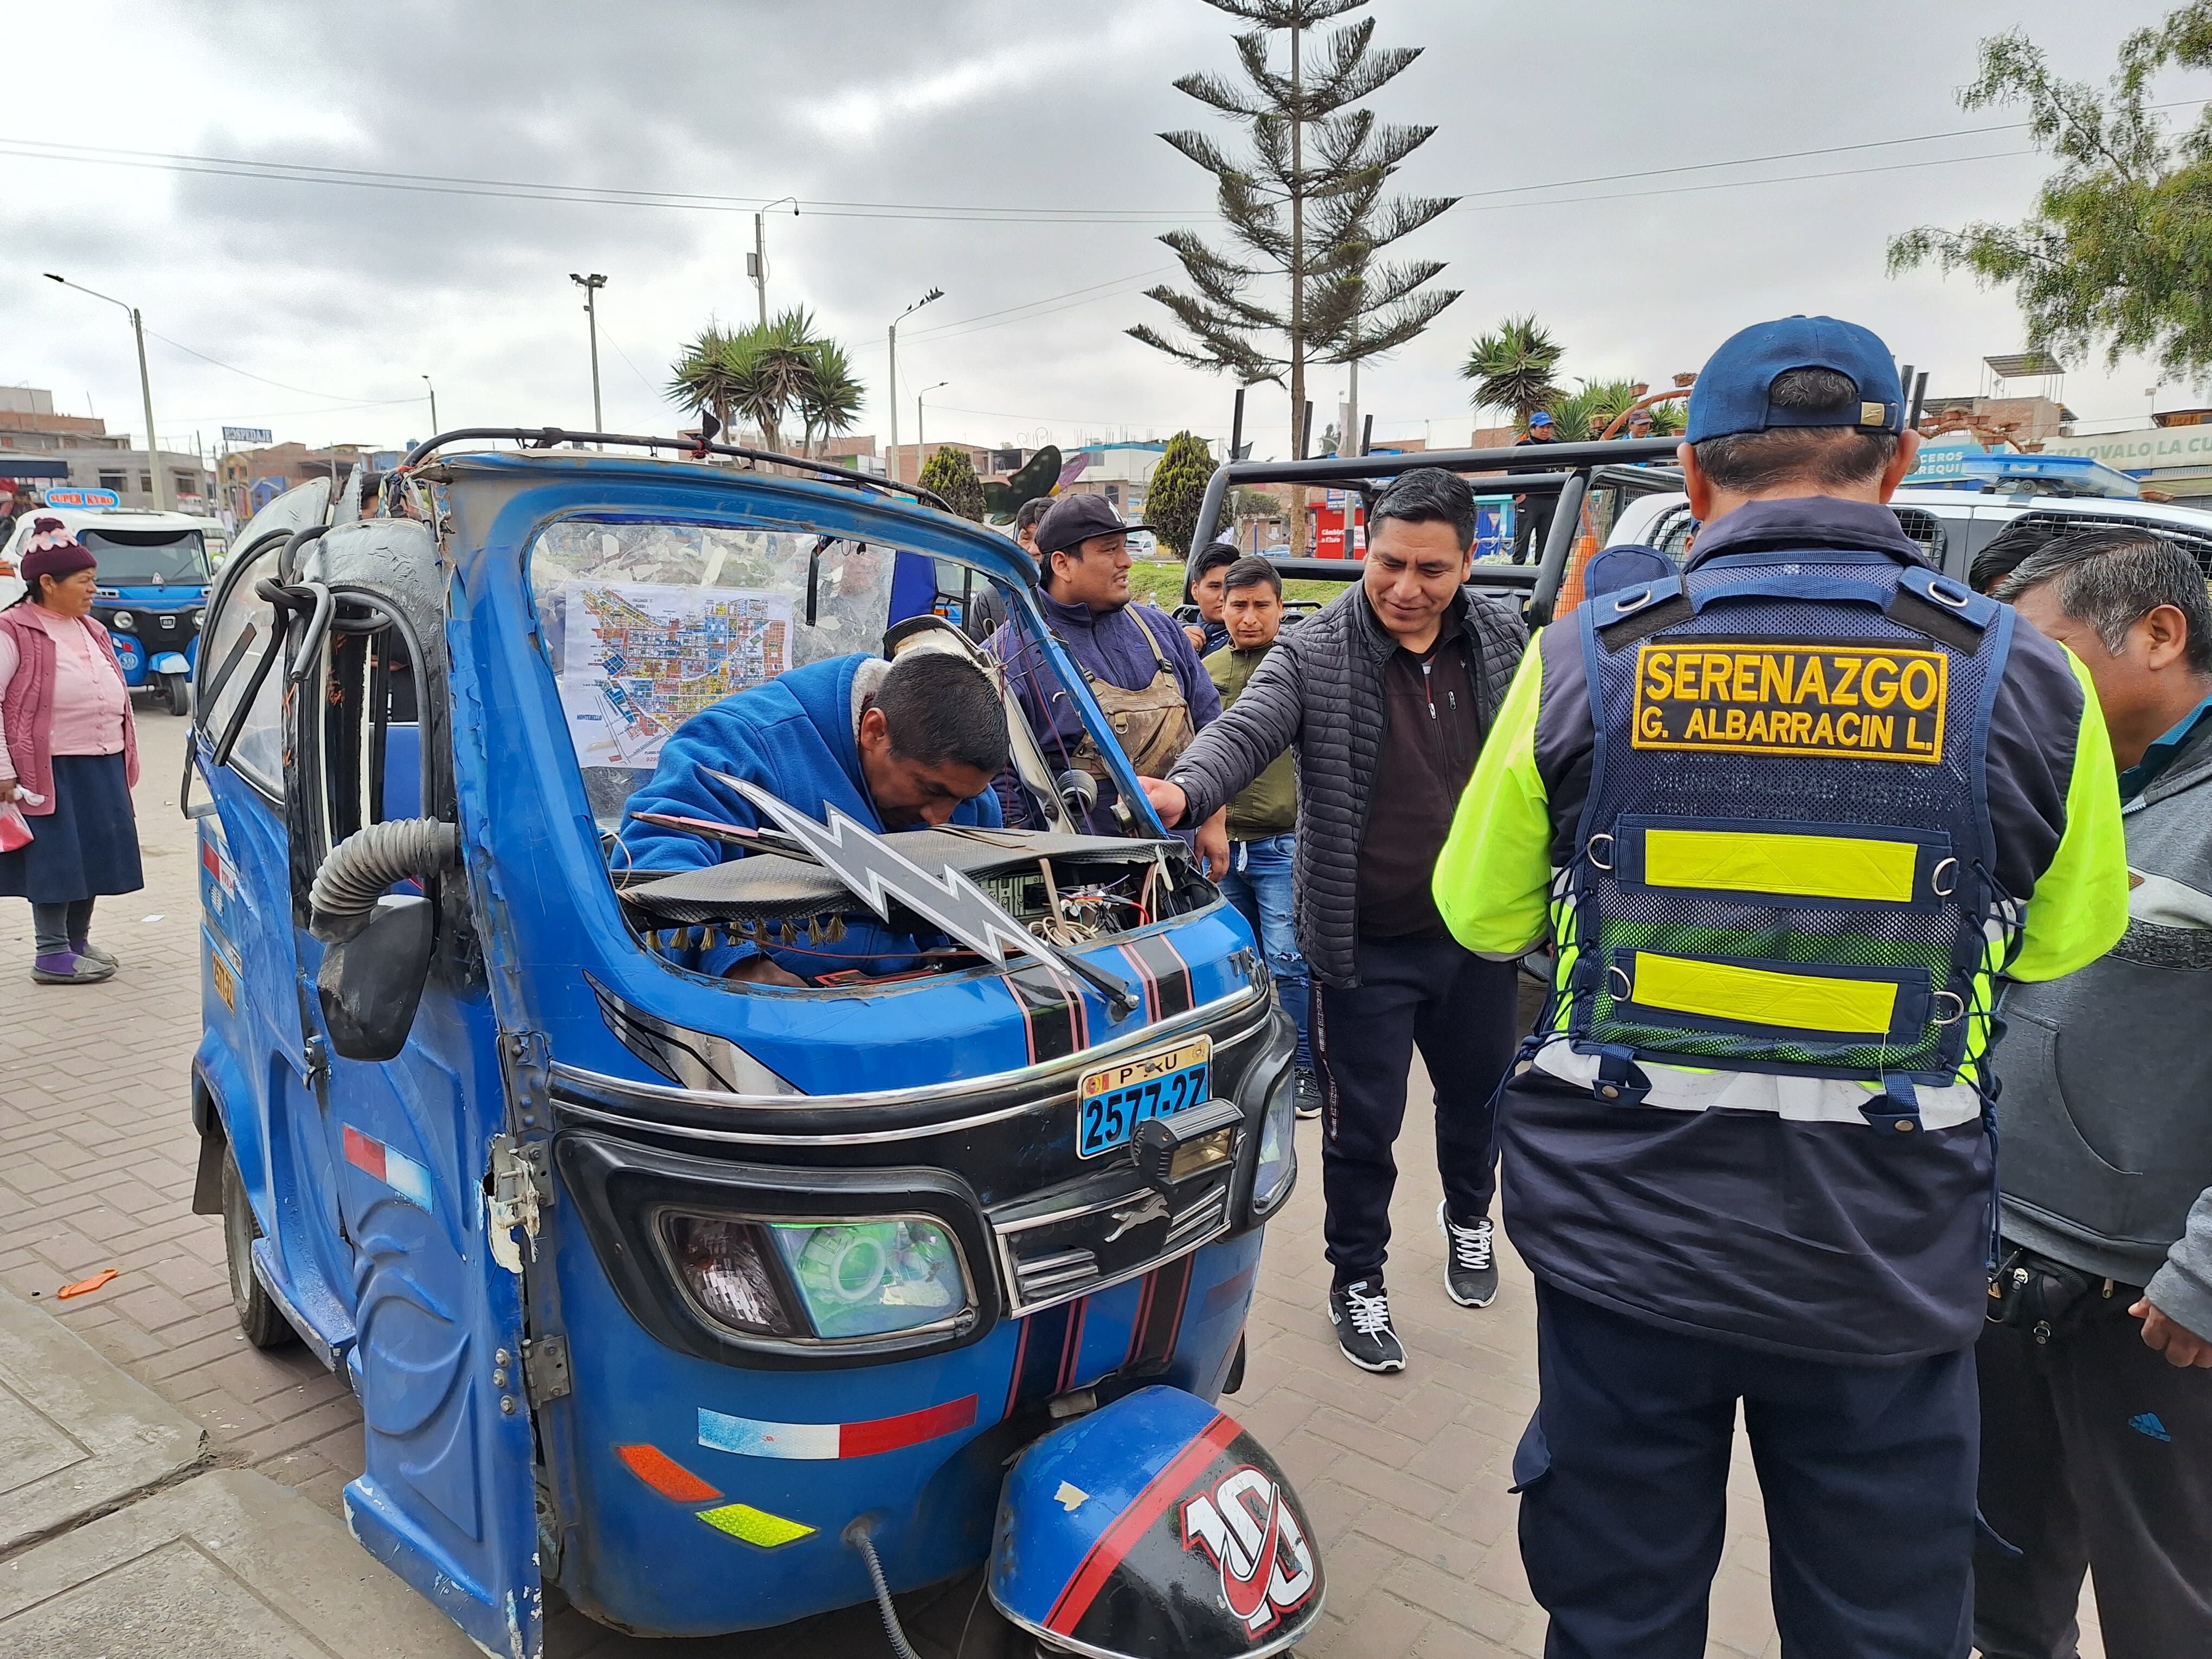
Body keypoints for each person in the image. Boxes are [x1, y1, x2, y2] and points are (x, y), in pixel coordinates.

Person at [1432, 316, 2131, 1659]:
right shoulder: (2021, 677)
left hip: (1622, 1251)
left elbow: (1477, 913)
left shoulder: (1582, 658)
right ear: (1898, 461)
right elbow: (2059, 941)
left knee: (1616, 1621)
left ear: (1691, 480)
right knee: (1877, 1631)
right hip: (1879, 1264)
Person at [1143, 468, 1528, 1371]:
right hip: (1364, 946)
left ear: (1470, 563)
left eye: (1432, 570)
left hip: (1479, 939)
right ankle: (1357, 1276)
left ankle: (1470, 1216)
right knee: (1365, 1130)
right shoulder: (1316, 651)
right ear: (1366, 551)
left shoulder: (1506, 641)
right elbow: (1246, 730)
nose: (1405, 588)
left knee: (1478, 1104)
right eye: (1389, 563)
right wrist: (1189, 788)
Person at [1975, 526, 2212, 1659]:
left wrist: (2208, 1269)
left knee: (2164, 1600)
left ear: (2159, 634)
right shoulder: (2065, 779)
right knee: (2003, 1579)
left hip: (2157, 1308)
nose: (2014, 686)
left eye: (2043, 653)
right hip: (2007, 1261)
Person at [618, 646, 1007, 985]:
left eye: (961, 798)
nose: (941, 817)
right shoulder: (741, 743)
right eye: (931, 790)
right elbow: (653, 861)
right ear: (874, 731)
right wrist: (736, 966)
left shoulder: (961, 787)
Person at [988, 493, 1227, 876]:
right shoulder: (1010, 654)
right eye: (1109, 550)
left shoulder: (1161, 630)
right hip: (1079, 882)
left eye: (1125, 547)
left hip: (1180, 868)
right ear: (1063, 564)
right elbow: (1003, 789)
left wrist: (1214, 820)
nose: (1127, 561)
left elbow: (1211, 728)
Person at [0, 518, 144, 985]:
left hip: (101, 757)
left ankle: (77, 942)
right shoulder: (13, 631)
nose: (92, 590)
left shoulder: (91, 628)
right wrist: (3, 771)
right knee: (57, 858)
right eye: (84, 582)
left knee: (94, 851)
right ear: (47, 583)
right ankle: (51, 953)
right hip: (47, 766)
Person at [1201, 557, 1319, 1117]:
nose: (1248, 617)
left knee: (1289, 961)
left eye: (1260, 605)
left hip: (1283, 845)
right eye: (1237, 605)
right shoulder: (1204, 671)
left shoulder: (1304, 667)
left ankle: (1302, 1072)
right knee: (1234, 965)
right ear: (1220, 607)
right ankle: (1243, 1071)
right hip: (1217, 849)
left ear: (1280, 607)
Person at [964, 495, 1052, 643]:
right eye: (1026, 538)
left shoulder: (1075, 599)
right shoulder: (989, 601)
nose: (1033, 549)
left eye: (1042, 539)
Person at [1512, 412, 1558, 564]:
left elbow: (1561, 469)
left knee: (1547, 541)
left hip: (1551, 500)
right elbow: (1513, 472)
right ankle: (1516, 577)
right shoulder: (1523, 447)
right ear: (1532, 429)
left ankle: (1543, 578)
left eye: (1548, 427)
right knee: (1522, 539)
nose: (1546, 431)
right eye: (1542, 427)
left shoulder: (1557, 447)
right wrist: (1519, 495)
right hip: (1529, 500)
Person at [1183, 540, 1239, 655]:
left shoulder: (1251, 641)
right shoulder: (1175, 635)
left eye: (1232, 586)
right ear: (1195, 590)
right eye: (1215, 586)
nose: (1224, 597)